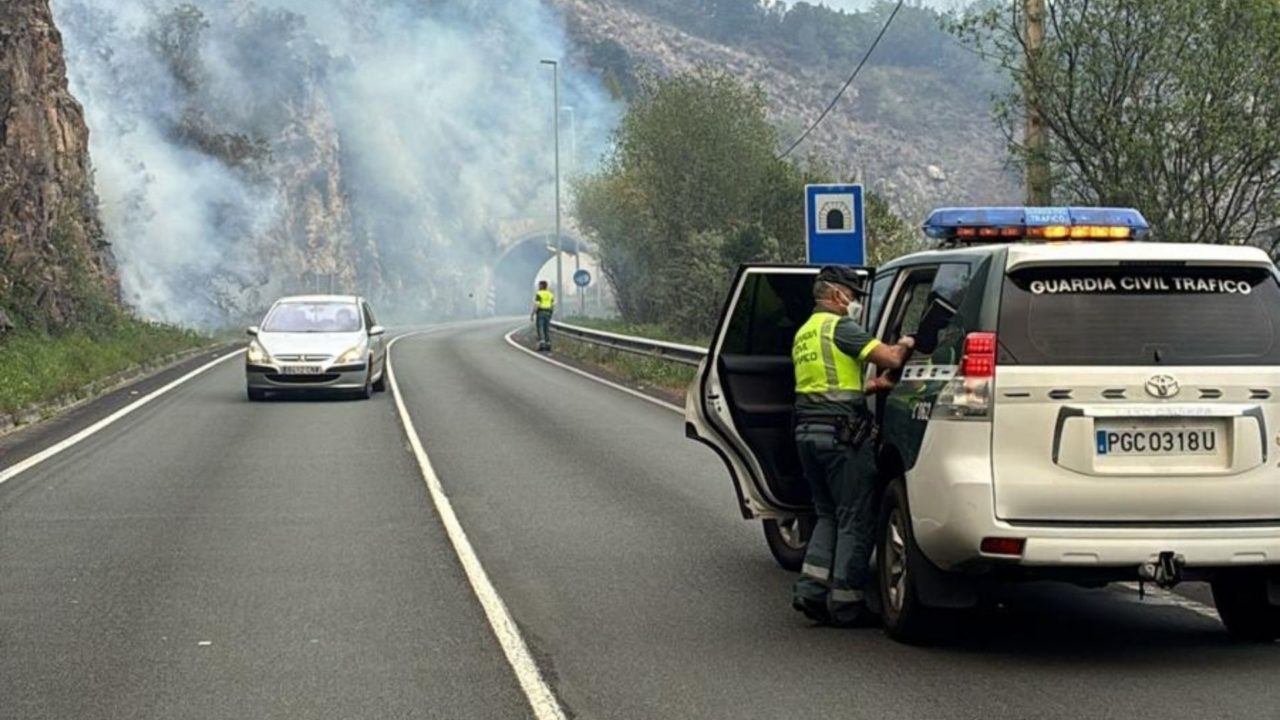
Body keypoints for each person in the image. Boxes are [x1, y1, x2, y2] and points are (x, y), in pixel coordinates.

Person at [791, 266, 915, 627]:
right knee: (853, 519)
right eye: (853, 295)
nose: (855, 302)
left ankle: (811, 591)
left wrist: (873, 387)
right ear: (836, 294)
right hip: (842, 437)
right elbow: (891, 359)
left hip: (808, 434)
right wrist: (907, 343)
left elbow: (827, 385)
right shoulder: (840, 327)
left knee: (827, 514)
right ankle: (847, 604)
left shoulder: (805, 332)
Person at [531, 280, 556, 352]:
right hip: (548, 312)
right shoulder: (550, 294)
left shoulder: (539, 294)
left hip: (541, 312)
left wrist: (532, 314)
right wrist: (551, 313)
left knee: (540, 328)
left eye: (539, 285)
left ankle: (542, 343)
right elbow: (552, 305)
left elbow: (537, 305)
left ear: (542, 286)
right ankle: (548, 344)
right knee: (546, 329)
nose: (538, 287)